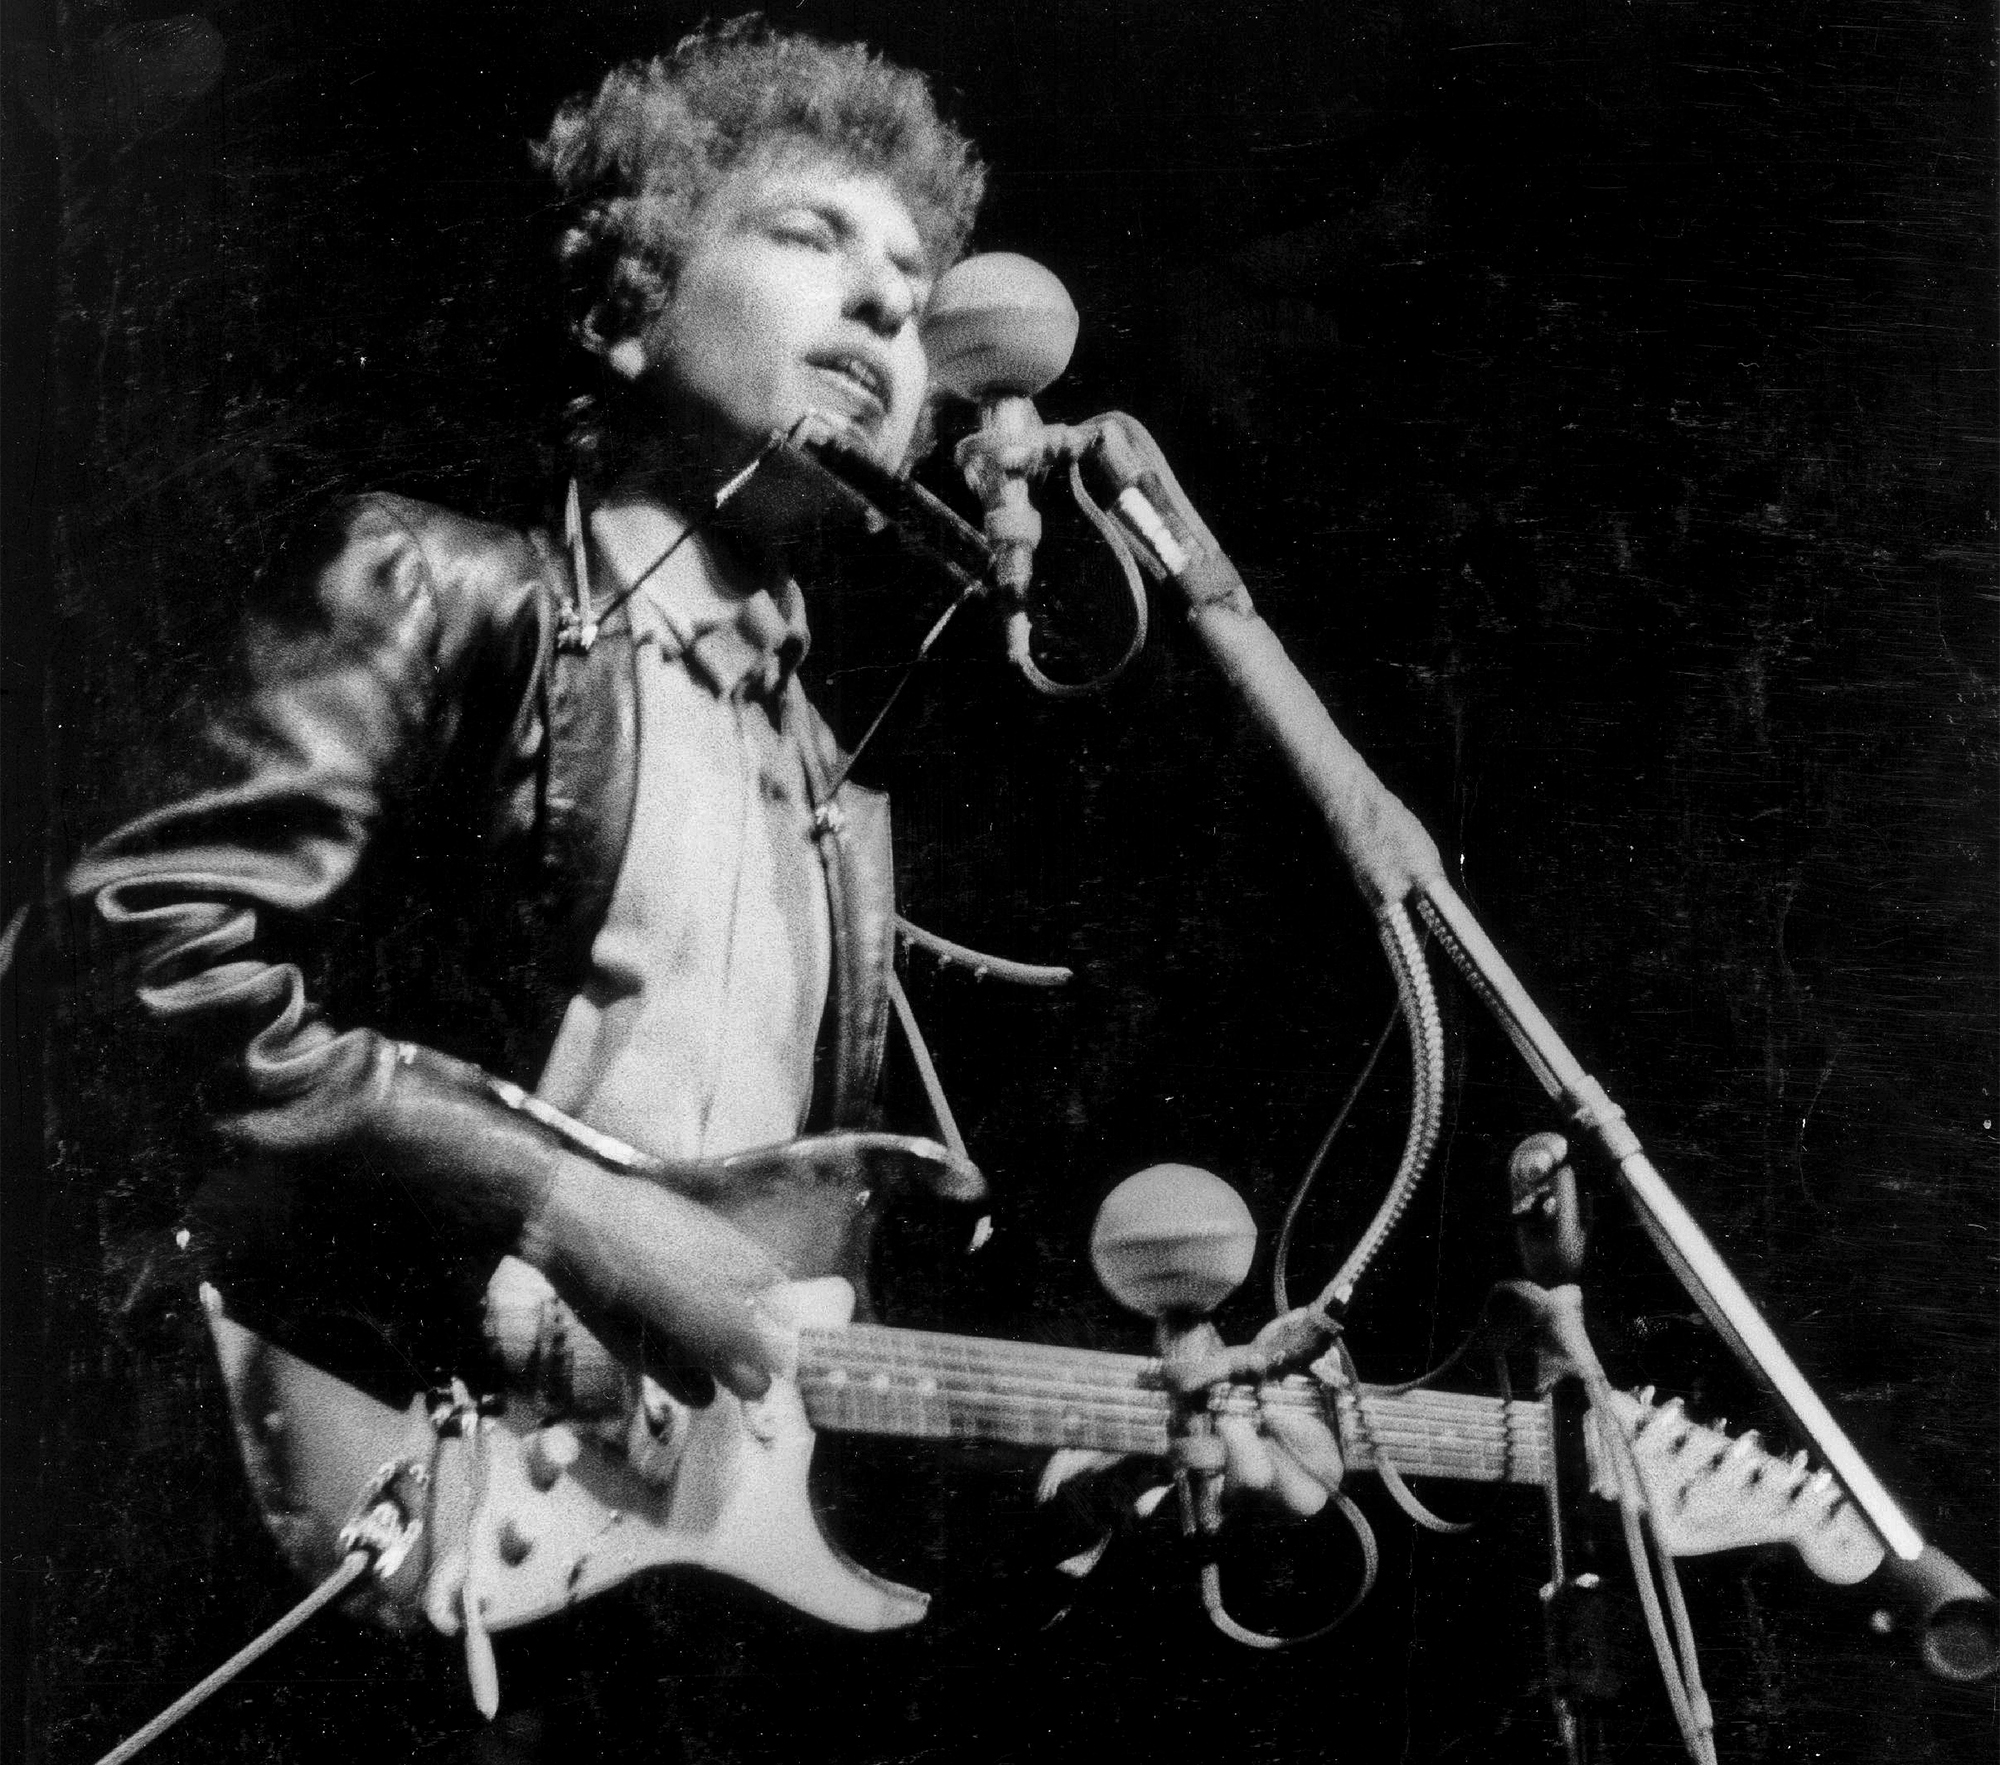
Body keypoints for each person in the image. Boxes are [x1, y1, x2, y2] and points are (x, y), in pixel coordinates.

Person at [65, 17, 1343, 1758]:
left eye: (916, 279)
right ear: (624, 308)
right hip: (324, 1503)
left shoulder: (832, 797)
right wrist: (571, 1207)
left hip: (628, 1638)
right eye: (815, 240)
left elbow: (796, 1348)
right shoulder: (437, 586)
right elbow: (127, 954)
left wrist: (1097, 1464)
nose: (894, 309)